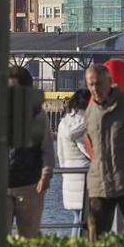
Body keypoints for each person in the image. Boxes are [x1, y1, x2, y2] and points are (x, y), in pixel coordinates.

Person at [64, 63, 124, 238]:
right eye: (90, 84)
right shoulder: (91, 111)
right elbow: (91, 143)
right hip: (100, 184)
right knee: (96, 235)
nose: (94, 89)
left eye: (98, 83)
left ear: (109, 82)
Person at [0, 66, 55, 238]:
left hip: (29, 185)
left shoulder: (38, 115)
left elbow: (47, 147)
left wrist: (46, 175)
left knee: (29, 239)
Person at [55, 89, 91, 237]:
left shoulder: (64, 122)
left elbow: (60, 152)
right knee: (86, 219)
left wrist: (64, 171)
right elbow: (89, 151)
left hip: (70, 175)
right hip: (85, 175)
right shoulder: (85, 123)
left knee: (77, 218)